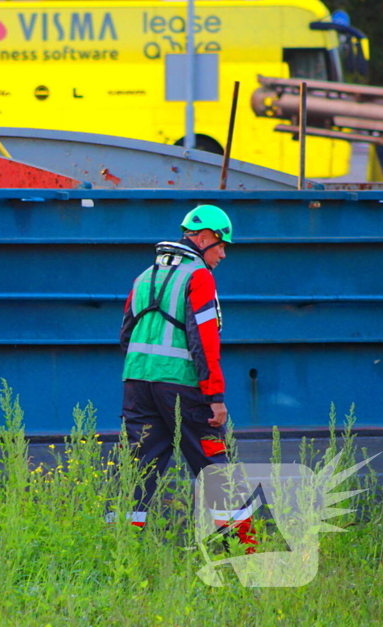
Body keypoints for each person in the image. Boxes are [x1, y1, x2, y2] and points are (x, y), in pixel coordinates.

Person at [119, 205, 256, 550]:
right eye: (222, 244)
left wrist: (146, 372)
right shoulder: (198, 276)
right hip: (182, 385)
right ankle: (245, 551)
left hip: (137, 383)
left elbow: (125, 335)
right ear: (204, 237)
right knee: (215, 464)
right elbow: (204, 340)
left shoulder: (143, 276)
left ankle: (120, 548)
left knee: (138, 469)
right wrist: (215, 397)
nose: (223, 254)